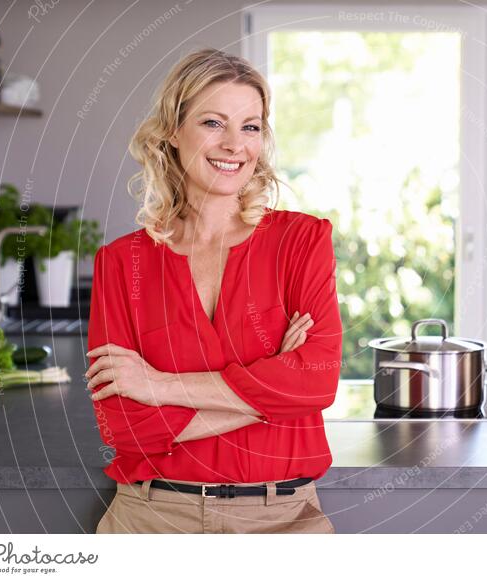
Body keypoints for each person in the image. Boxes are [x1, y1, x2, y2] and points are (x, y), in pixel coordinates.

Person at [84, 47, 342, 534]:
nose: (234, 145)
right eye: (212, 123)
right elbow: (124, 427)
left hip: (283, 523)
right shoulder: (122, 263)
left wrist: (161, 387)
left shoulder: (301, 241)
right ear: (172, 132)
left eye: (250, 126)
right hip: (150, 521)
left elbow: (316, 382)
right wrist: (273, 389)